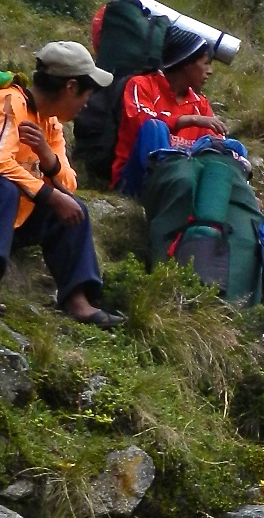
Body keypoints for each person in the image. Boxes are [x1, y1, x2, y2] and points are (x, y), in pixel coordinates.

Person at [0, 43, 121, 327]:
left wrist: (47, 157)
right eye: (87, 94)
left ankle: (78, 300)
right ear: (70, 87)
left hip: (17, 220)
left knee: (73, 208)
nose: (86, 103)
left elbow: (69, 184)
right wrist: (49, 195)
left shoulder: (50, 124)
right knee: (4, 188)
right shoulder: (9, 104)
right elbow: (1, 162)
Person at [110, 24, 231, 193]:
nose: (209, 71)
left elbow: (217, 143)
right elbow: (140, 120)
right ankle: (170, 189)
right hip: (136, 179)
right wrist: (190, 120)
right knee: (155, 127)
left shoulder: (200, 104)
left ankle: (236, 193)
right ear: (186, 63)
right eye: (206, 63)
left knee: (231, 147)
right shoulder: (142, 85)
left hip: (186, 181)